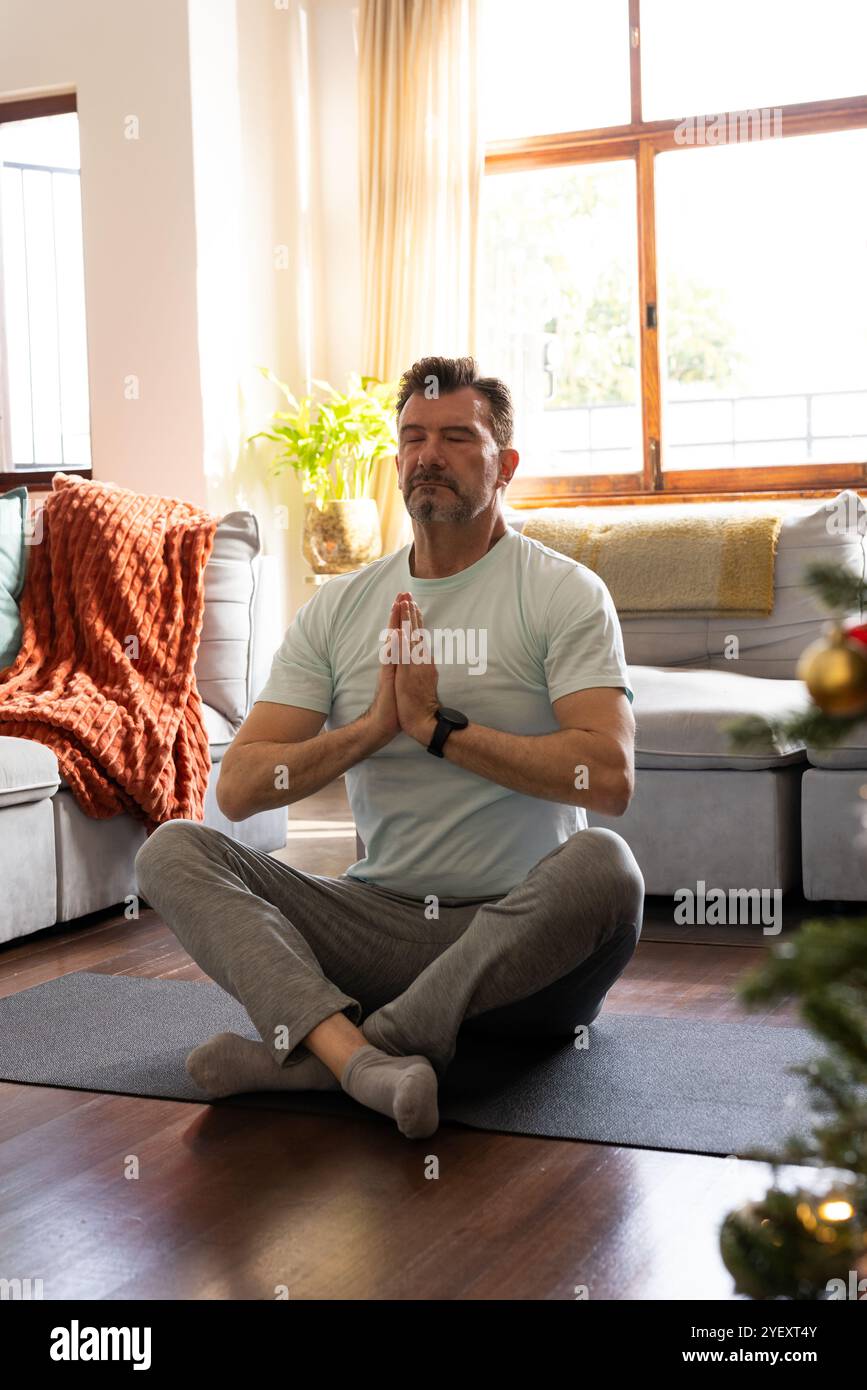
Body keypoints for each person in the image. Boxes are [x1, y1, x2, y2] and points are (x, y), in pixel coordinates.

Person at [134, 355, 644, 1140]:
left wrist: (440, 729)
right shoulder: (340, 607)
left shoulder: (561, 592)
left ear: (504, 465)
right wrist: (372, 729)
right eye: (411, 437)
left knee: (607, 864)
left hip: (520, 948)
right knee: (173, 849)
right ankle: (361, 1061)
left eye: (454, 437)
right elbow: (236, 787)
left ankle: (329, 1058)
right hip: (379, 922)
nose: (427, 455)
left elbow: (606, 778)